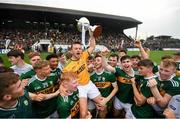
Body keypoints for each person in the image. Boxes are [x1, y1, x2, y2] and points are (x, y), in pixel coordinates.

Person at [63, 35, 104, 118]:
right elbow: (64, 82)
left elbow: (92, 46)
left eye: (80, 48)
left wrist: (92, 35)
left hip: (89, 84)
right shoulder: (67, 67)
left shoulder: (83, 55)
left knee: (103, 105)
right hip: (79, 88)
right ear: (71, 51)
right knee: (83, 114)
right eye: (76, 48)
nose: (78, 50)